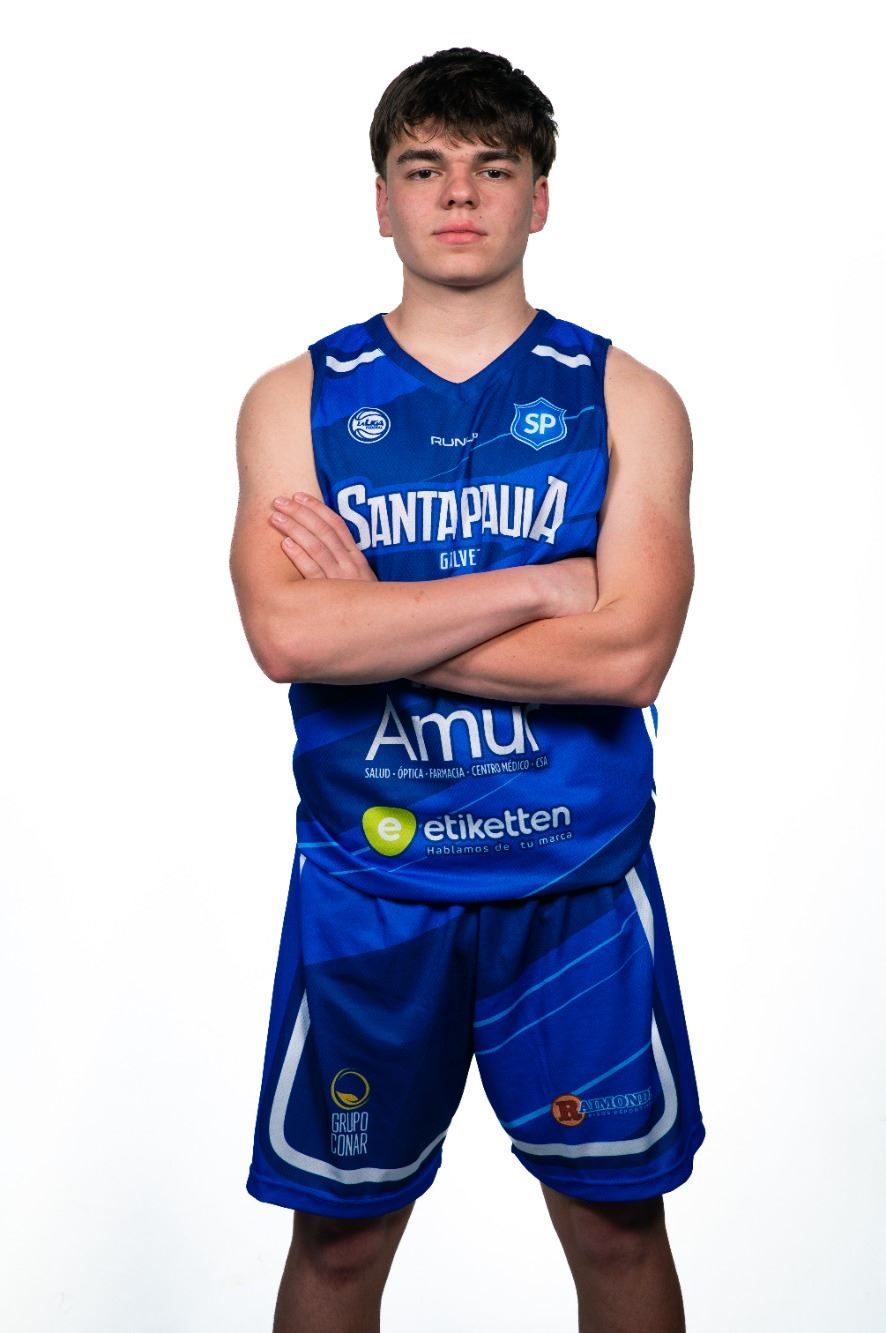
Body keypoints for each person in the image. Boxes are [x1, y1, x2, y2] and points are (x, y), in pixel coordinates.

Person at [229, 46, 704, 1333]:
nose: (457, 193)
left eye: (493, 168)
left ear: (537, 200)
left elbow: (628, 656)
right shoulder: (294, 399)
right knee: (337, 1244)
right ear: (380, 200)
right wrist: (543, 584)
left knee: (616, 1229)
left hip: (573, 885)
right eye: (423, 166)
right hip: (374, 887)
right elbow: (285, 632)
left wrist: (371, 619)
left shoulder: (624, 395)